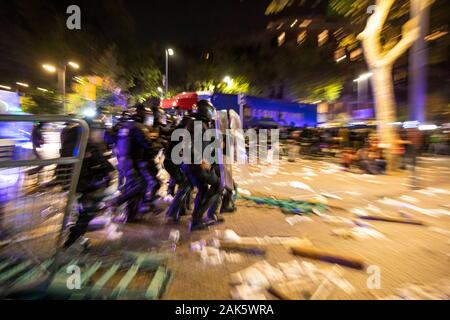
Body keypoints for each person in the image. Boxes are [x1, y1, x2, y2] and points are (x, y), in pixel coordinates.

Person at [63, 118, 115, 249]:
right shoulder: (87, 143)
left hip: (85, 184)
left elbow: (100, 161)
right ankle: (69, 241)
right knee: (88, 212)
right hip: (87, 184)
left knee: (87, 212)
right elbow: (99, 162)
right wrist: (108, 171)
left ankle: (74, 236)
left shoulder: (81, 141)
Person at [182, 100, 225, 231]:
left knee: (204, 190)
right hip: (196, 165)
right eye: (210, 111)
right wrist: (201, 161)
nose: (212, 114)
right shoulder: (197, 125)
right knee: (218, 185)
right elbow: (190, 146)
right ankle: (197, 219)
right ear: (205, 111)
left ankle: (197, 220)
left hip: (194, 164)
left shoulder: (200, 124)